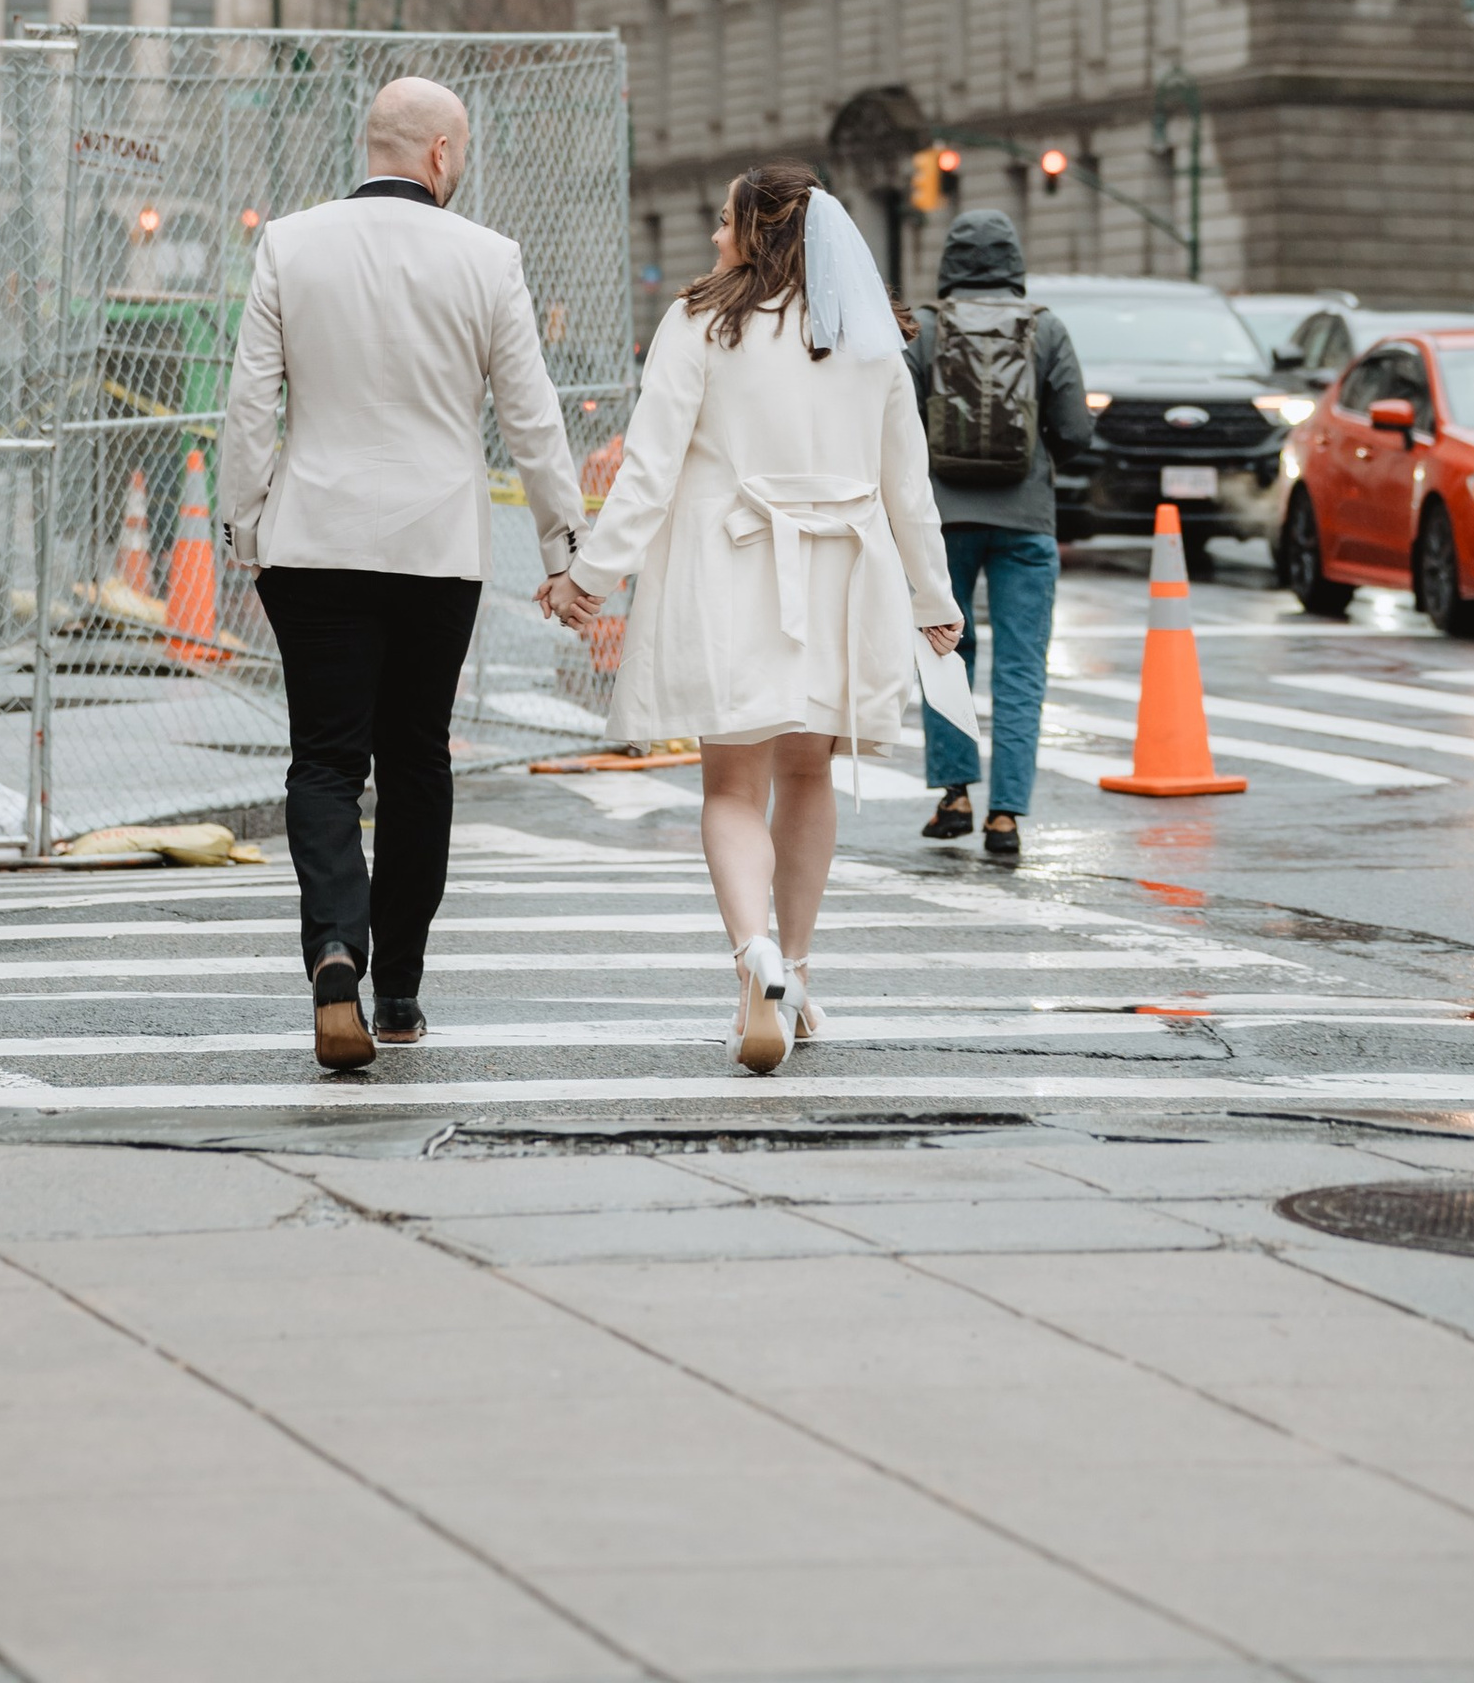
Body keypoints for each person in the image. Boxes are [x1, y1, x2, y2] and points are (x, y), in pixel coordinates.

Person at [544, 164, 961, 1073]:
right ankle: (798, 971)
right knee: (808, 774)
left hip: (734, 573)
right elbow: (907, 486)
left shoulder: (700, 322)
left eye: (723, 219)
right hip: (845, 577)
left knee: (732, 786)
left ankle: (751, 960)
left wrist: (592, 576)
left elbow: (649, 471)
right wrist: (934, 600)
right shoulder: (870, 339)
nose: (712, 236)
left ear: (758, 231)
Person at [219, 74, 585, 1076]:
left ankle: (335, 946)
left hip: (315, 537)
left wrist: (241, 525)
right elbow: (531, 416)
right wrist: (563, 550)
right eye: (457, 152)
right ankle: (403, 987)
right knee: (418, 758)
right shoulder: (487, 259)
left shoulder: (290, 244)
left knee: (325, 761)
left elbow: (251, 403)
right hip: (435, 548)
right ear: (437, 155)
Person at [906, 207, 1092, 865]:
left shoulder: (925, 329)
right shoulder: (1047, 330)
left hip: (940, 522)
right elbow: (1074, 432)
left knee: (944, 653)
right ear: (1014, 262)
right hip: (1025, 520)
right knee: (1021, 668)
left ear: (950, 263)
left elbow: (896, 425)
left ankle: (955, 794)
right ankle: (1006, 814)